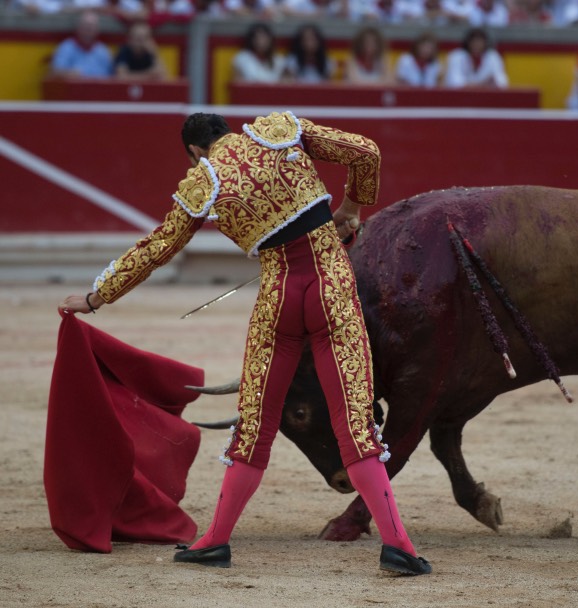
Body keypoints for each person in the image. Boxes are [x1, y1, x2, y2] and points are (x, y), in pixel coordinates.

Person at [58, 111, 433, 576]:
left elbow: (158, 247)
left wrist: (96, 297)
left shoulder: (204, 181)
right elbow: (366, 153)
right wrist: (352, 208)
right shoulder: (279, 130)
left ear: (196, 152)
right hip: (330, 285)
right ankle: (398, 545)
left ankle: (214, 541)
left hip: (277, 297)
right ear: (226, 131)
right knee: (353, 426)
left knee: (254, 427)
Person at [48, 10, 112, 79]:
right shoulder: (66, 47)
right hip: (72, 89)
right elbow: (54, 72)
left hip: (99, 89)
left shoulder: (103, 50)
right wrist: (68, 74)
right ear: (79, 27)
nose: (89, 28)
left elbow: (112, 76)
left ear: (97, 29)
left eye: (92, 26)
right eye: (86, 25)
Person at [444, 27, 509, 88]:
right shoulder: (457, 56)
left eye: (480, 41)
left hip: (486, 97)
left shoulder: (492, 56)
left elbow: (502, 83)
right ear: (468, 42)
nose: (476, 44)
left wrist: (473, 85)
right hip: (461, 97)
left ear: (485, 43)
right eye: (474, 41)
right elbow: (455, 83)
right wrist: (483, 84)